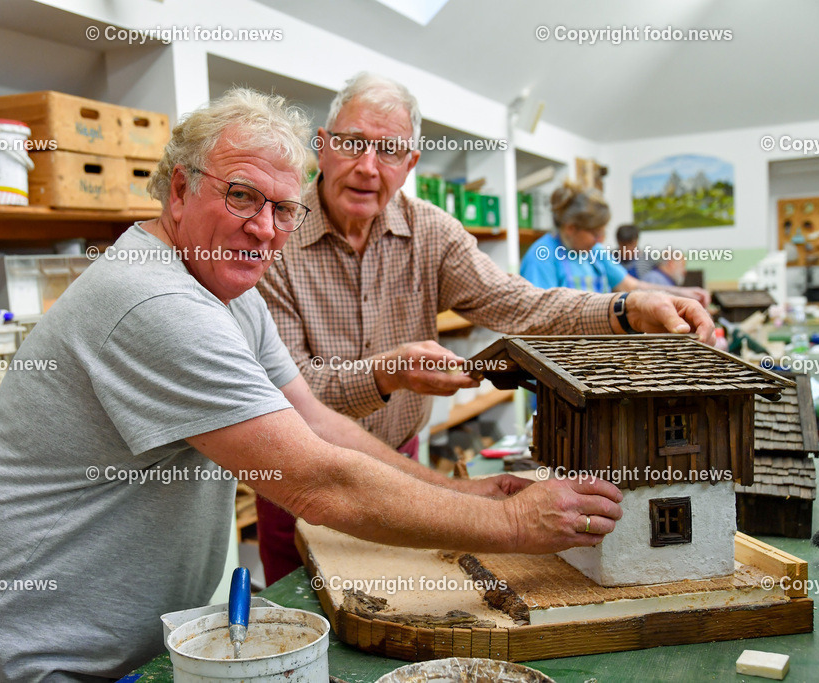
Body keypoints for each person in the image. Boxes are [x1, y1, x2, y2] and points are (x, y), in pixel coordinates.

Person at [0, 89, 626, 683]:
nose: (264, 228)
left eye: (283, 209)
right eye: (242, 197)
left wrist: (470, 494)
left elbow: (318, 424)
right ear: (179, 189)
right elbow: (317, 482)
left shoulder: (227, 292)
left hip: (87, 650)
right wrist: (513, 526)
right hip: (7, 651)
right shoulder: (155, 301)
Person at [255, 72, 714, 585]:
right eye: (352, 143)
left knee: (391, 603)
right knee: (298, 619)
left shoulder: (431, 232)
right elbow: (290, 391)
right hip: (297, 476)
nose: (367, 165)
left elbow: (521, 305)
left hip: (398, 468)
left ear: (411, 164)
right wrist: (386, 374)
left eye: (389, 150)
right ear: (322, 146)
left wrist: (627, 308)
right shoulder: (272, 233)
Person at [521, 182, 711, 307]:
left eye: (603, 233)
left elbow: (630, 285)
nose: (601, 240)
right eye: (596, 233)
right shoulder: (542, 257)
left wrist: (682, 294)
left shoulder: (594, 252)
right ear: (571, 228)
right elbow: (538, 316)